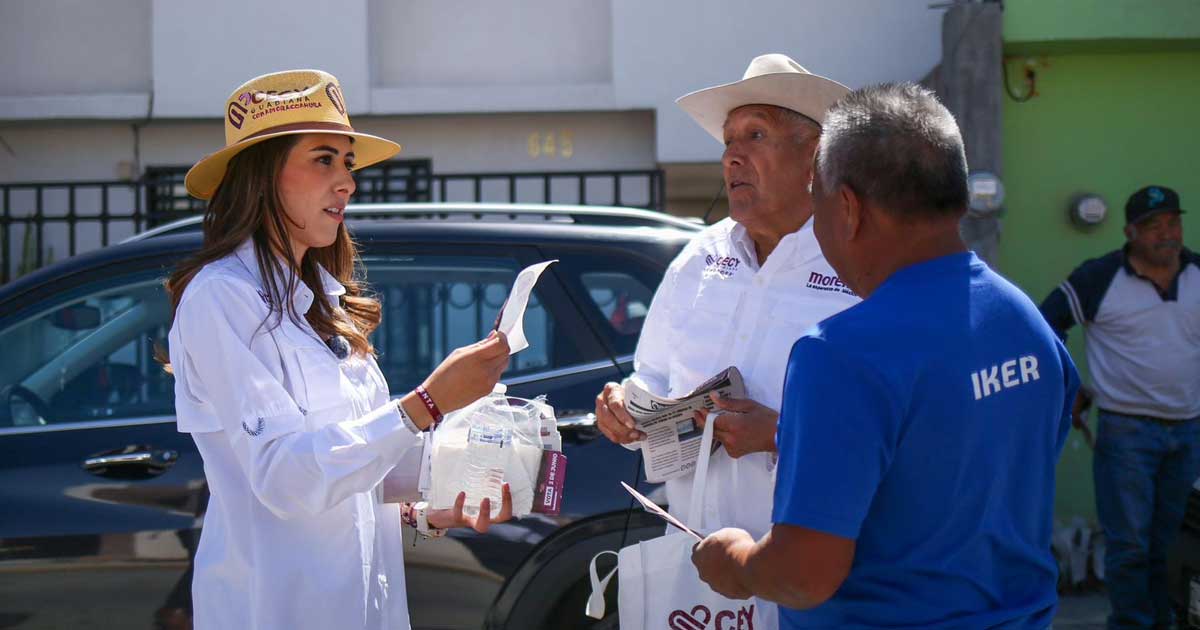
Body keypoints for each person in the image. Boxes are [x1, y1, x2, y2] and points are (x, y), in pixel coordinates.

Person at [692, 82, 1080, 628]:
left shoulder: (839, 354)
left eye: (818, 206)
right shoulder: (1027, 324)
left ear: (846, 209)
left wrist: (733, 558)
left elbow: (802, 576)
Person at [165, 69, 513, 630]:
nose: (347, 182)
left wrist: (428, 504)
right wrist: (426, 403)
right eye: (323, 159)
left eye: (347, 163)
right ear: (262, 176)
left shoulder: (321, 299)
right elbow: (285, 478)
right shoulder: (220, 298)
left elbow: (348, 464)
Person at [593, 53, 859, 622]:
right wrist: (623, 407)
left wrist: (783, 435)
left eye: (755, 134)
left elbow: (901, 424)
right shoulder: (698, 259)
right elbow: (652, 378)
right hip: (702, 574)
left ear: (814, 156)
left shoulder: (856, 261)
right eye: (728, 140)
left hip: (820, 583)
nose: (732, 155)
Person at [1040, 185, 1200, 628]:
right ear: (1131, 232)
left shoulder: (1197, 273)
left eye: (1173, 223)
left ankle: (1164, 620)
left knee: (1172, 542)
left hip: (1188, 430)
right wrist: (1069, 387)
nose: (1166, 234)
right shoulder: (1100, 277)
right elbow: (1043, 325)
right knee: (1130, 545)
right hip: (1127, 431)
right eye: (1153, 227)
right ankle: (1132, 623)